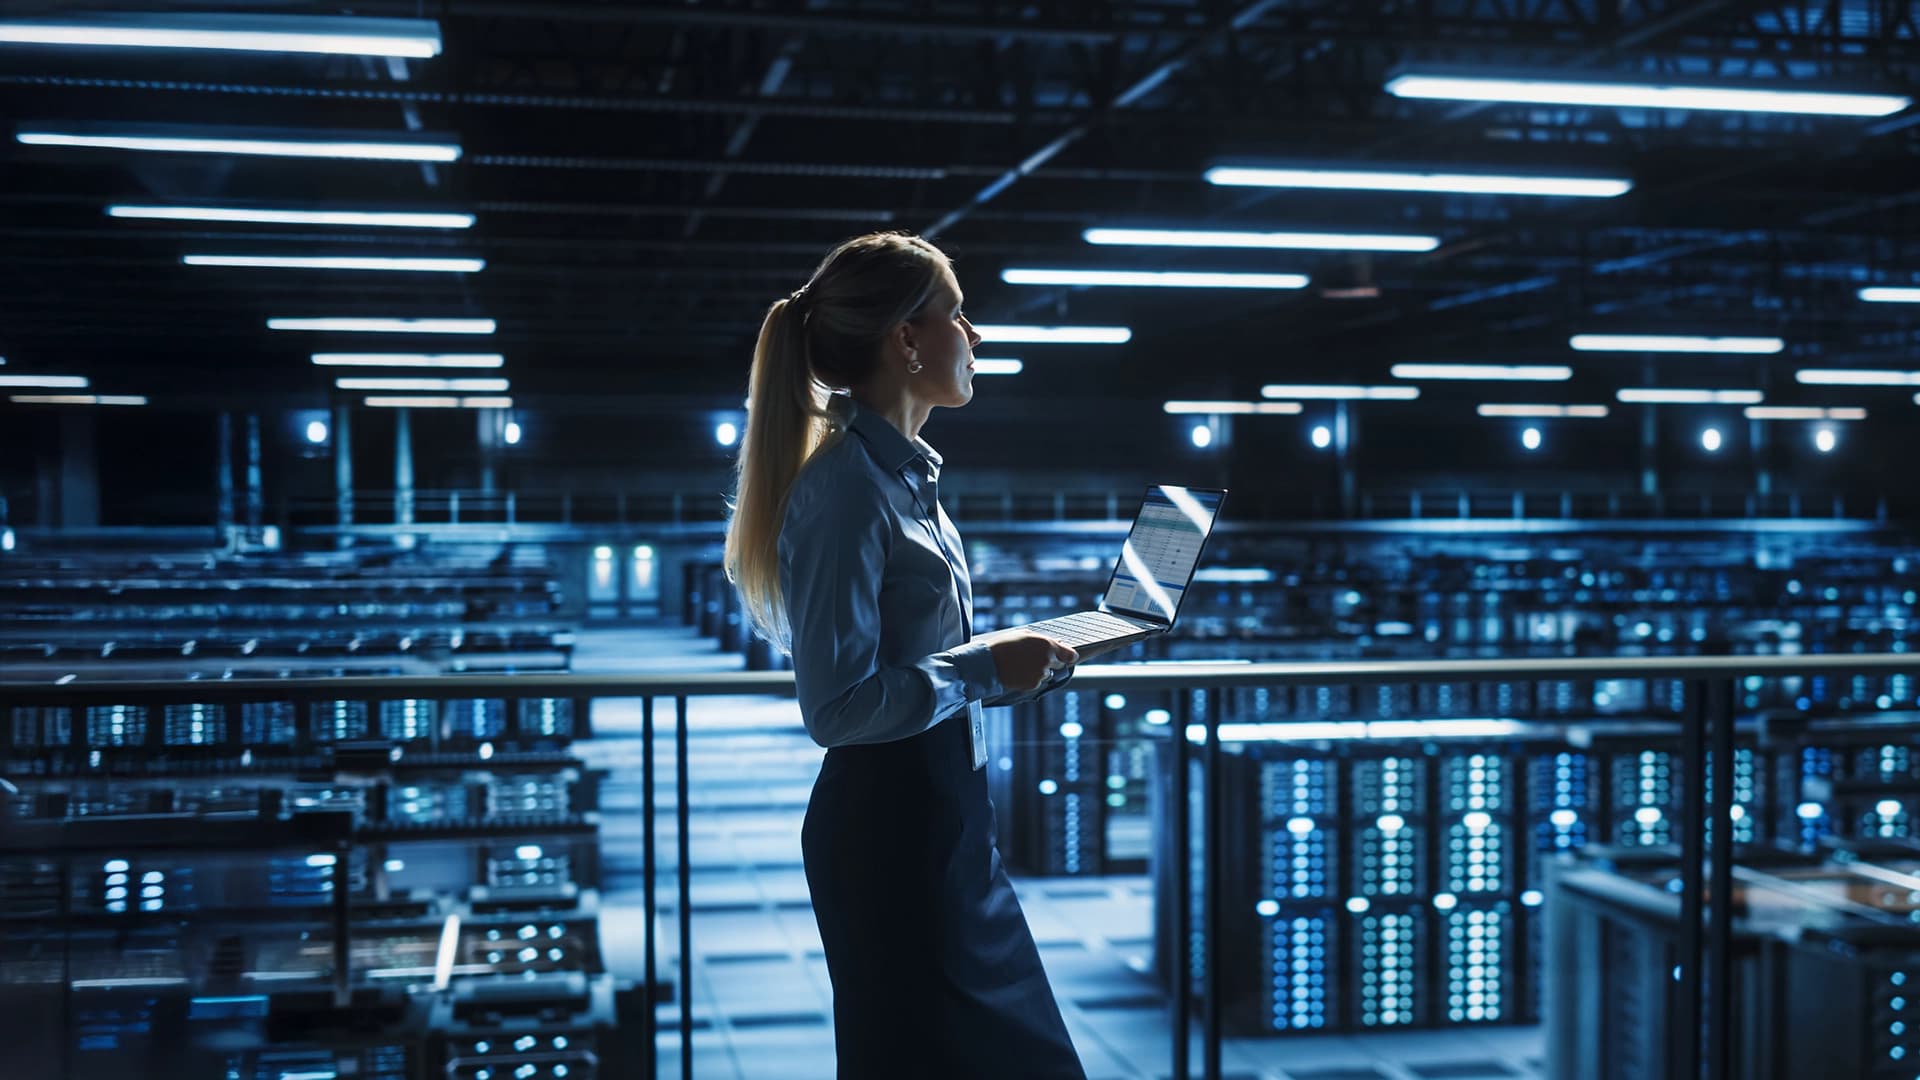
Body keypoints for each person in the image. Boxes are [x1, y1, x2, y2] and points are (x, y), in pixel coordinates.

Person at [723, 231, 1089, 1078]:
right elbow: (838, 709)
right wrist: (984, 669)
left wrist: (1006, 660)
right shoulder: (847, 490)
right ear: (907, 339)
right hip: (892, 836)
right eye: (960, 314)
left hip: (948, 823)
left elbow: (922, 665)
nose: (978, 336)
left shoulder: (903, 480)